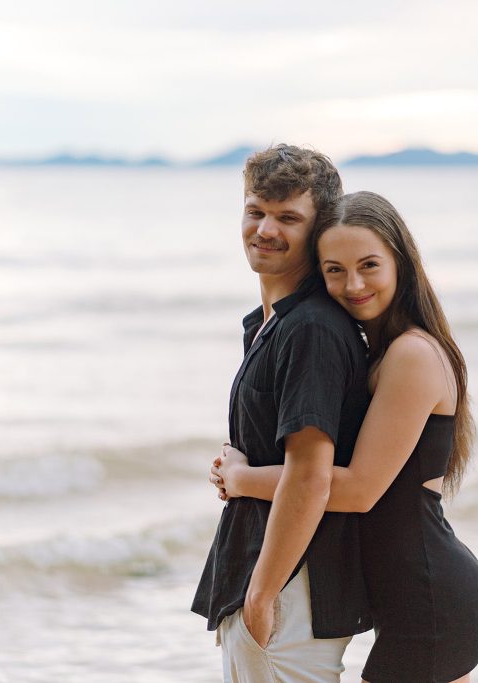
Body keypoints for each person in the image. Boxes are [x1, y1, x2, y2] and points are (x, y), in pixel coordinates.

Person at [212, 191, 478, 682]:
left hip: (430, 604)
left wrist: (241, 478)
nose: (353, 285)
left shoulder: (411, 354)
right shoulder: (382, 349)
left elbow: (357, 491)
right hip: (414, 601)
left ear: (401, 264)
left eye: (369, 265)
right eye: (334, 270)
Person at [191, 145, 372, 683]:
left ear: (319, 230)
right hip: (269, 575)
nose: (265, 229)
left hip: (291, 586)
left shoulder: (311, 329)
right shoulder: (272, 322)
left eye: (288, 217)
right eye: (255, 211)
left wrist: (262, 596)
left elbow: (312, 475)